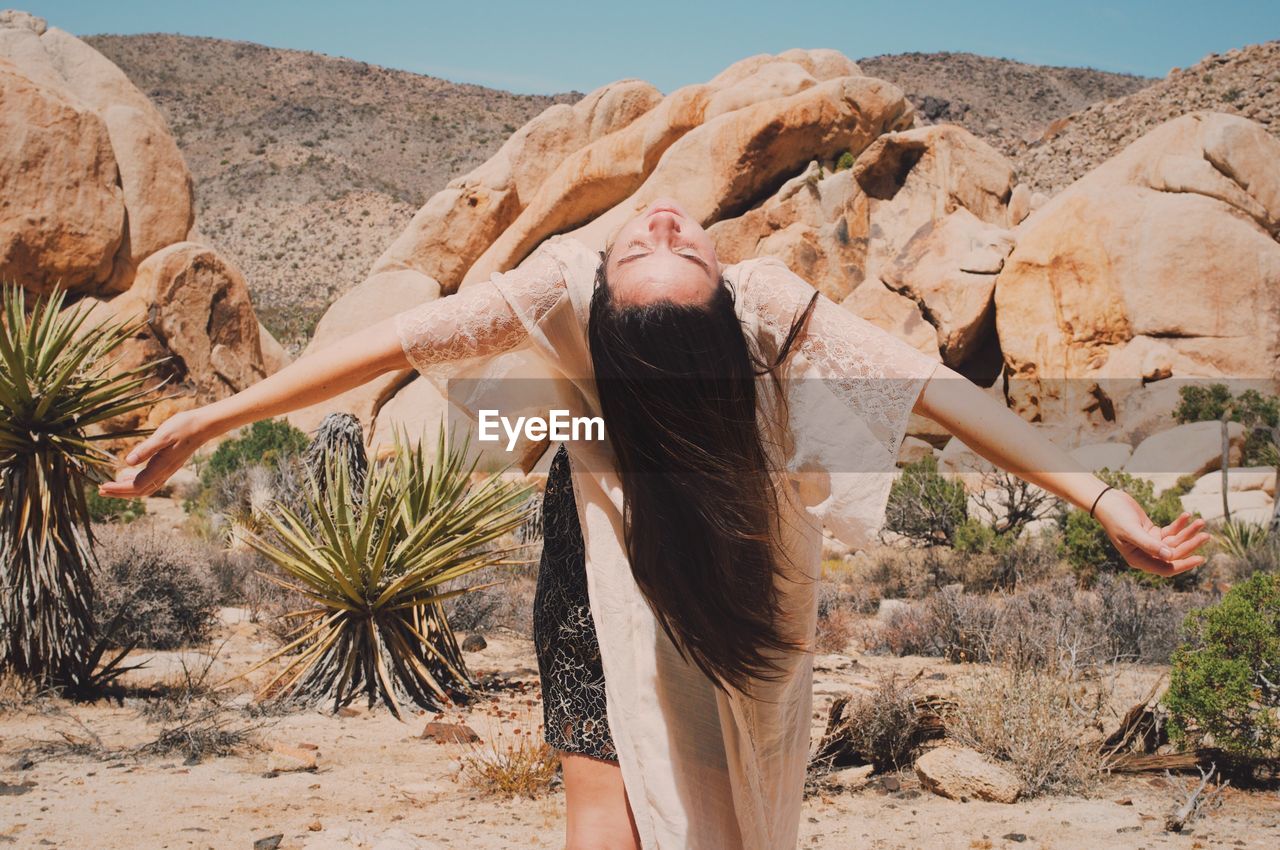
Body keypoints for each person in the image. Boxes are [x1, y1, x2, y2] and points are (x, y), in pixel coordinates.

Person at [100, 196, 1210, 850]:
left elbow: (930, 384)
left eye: (665, 247)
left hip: (732, 528)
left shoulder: (762, 305)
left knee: (730, 763)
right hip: (597, 529)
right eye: (651, 247)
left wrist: (1103, 495)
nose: (663, 225)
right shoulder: (564, 284)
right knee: (604, 781)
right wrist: (212, 418)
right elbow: (401, 341)